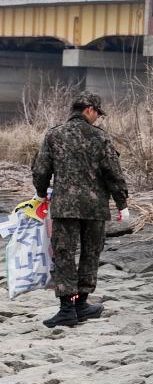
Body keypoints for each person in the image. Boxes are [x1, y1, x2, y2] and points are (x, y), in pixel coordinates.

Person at [31, 92, 129, 328]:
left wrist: (41, 193)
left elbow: (41, 169)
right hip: (94, 208)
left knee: (64, 254)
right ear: (88, 110)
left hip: (64, 207)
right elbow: (113, 173)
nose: (97, 118)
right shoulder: (100, 138)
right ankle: (82, 304)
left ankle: (66, 308)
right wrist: (121, 202)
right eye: (97, 113)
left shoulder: (54, 135)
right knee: (90, 253)